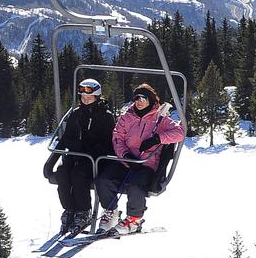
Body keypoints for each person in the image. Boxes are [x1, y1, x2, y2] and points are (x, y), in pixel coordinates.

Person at [97, 83, 185, 235]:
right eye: (136, 98)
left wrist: (158, 138)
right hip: (126, 161)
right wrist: (125, 155)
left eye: (143, 98)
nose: (139, 101)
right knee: (103, 179)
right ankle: (111, 211)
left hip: (146, 163)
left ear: (150, 100)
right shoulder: (127, 117)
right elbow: (117, 137)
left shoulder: (160, 118)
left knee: (135, 185)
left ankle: (134, 219)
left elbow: (180, 133)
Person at [42, 78, 115, 234]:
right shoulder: (76, 114)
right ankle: (69, 209)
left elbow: (108, 144)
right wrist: (50, 163)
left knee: (78, 174)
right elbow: (65, 139)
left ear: (96, 97)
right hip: (76, 156)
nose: (85, 100)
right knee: (62, 172)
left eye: (89, 98)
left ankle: (83, 211)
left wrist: (87, 151)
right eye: (83, 97)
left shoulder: (106, 116)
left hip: (95, 160)